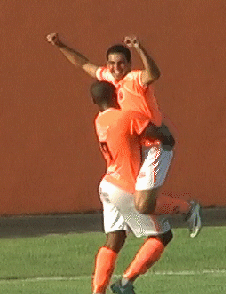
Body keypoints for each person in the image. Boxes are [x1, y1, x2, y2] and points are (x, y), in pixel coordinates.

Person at [46, 33, 202, 238]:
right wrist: (60, 45)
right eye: (111, 63)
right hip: (137, 148)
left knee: (142, 204)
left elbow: (154, 73)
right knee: (139, 202)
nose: (115, 68)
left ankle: (187, 208)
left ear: (128, 64)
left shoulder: (134, 78)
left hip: (155, 143)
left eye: (120, 64)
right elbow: (84, 65)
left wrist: (140, 49)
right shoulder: (110, 78)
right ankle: (160, 226)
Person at [88, 80, 179, 294]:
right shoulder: (126, 117)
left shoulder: (99, 121)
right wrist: (166, 132)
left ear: (94, 101)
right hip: (124, 186)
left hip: (107, 184)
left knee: (115, 238)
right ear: (117, 95)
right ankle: (126, 281)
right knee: (162, 235)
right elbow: (158, 135)